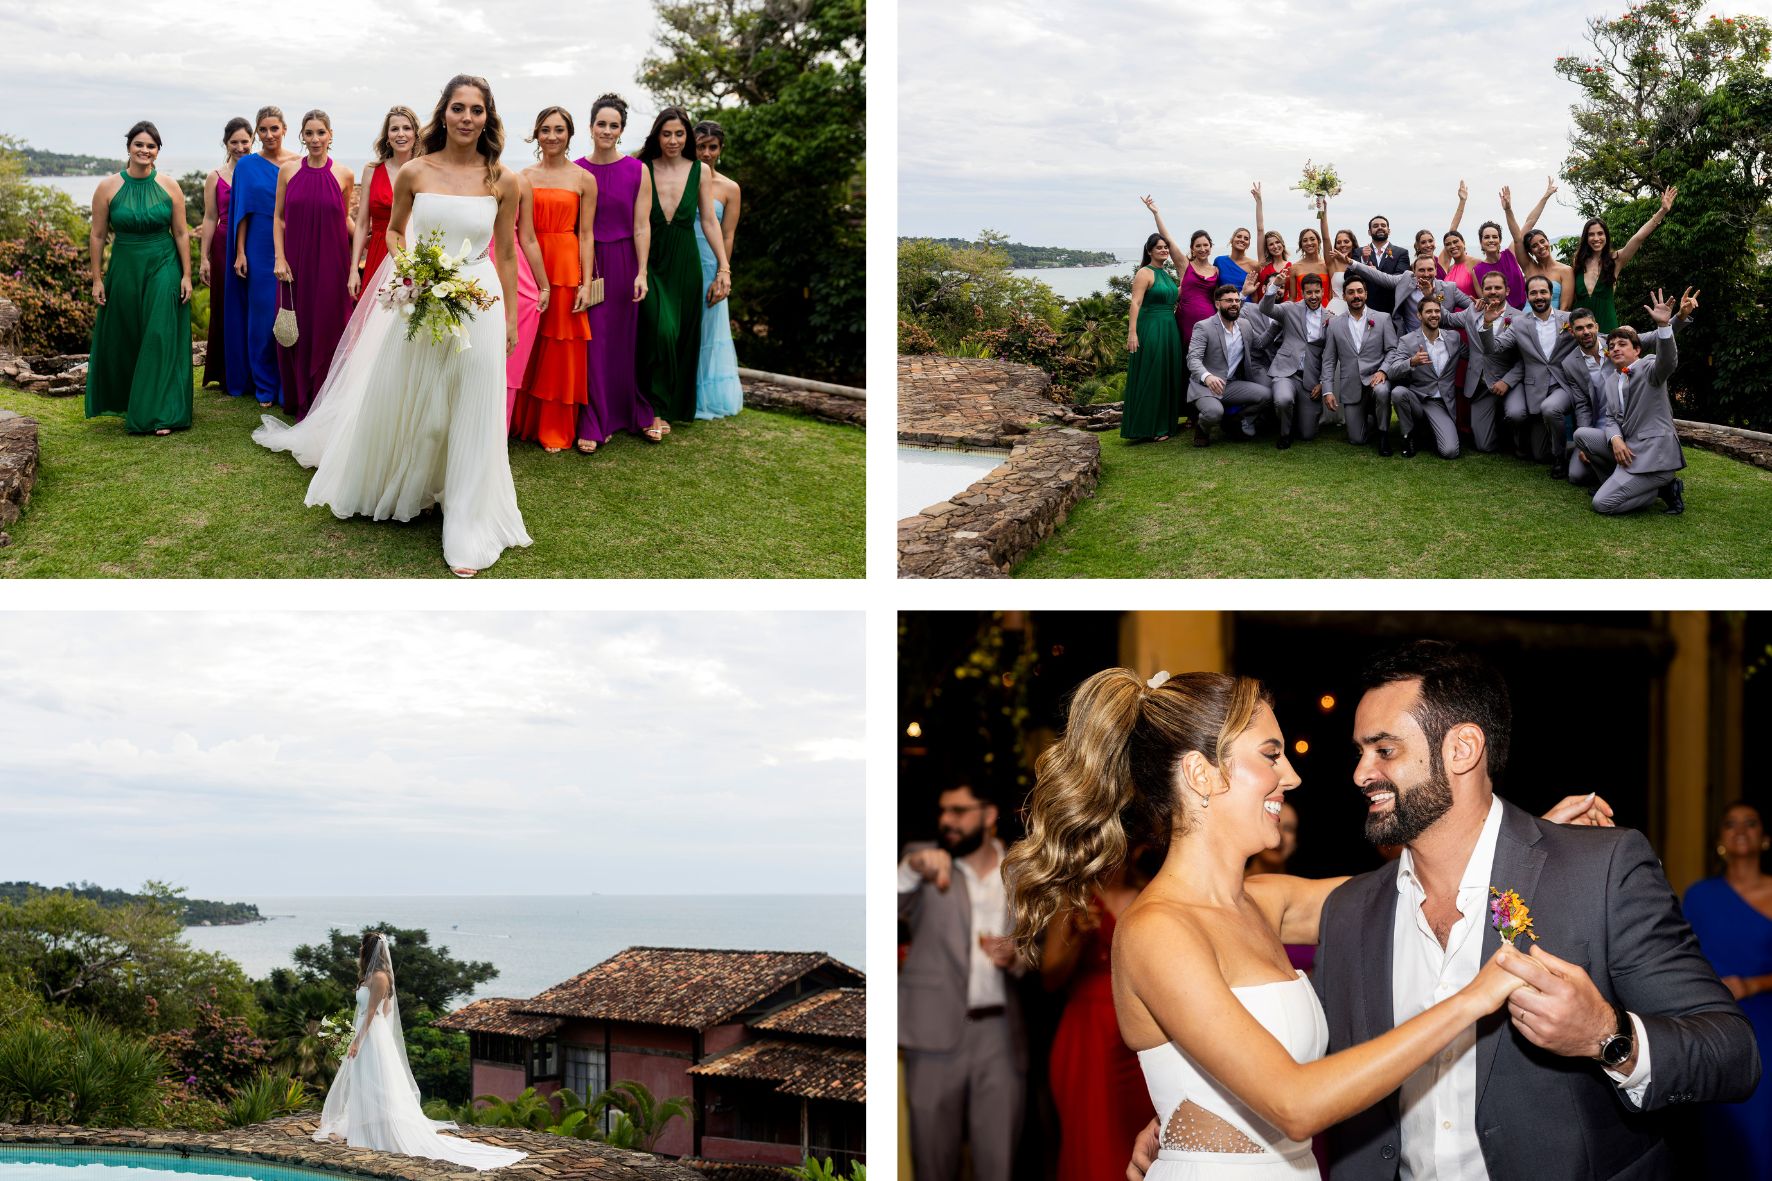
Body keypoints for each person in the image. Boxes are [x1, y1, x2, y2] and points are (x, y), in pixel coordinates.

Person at [1123, 639, 1757, 1180]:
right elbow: (1282, 1080)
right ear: (1201, 776)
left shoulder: (1601, 870)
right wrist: (1196, 1115)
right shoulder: (1321, 915)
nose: (1353, 774)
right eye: (1358, 751)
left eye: (1384, 750)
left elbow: (1732, 1053)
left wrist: (1606, 1036)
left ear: (1461, 750)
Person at [1006, 668, 1530, 1181]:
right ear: (1201, 773)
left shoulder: (1264, 902)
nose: (1293, 776)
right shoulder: (1155, 931)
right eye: (1270, 755)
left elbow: (1416, 884)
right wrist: (1470, 1000)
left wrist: (1520, 846)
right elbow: (1295, 1104)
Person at [252, 74, 533, 577]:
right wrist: (413, 273)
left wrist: (511, 316)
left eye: (477, 110)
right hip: (422, 300)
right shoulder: (415, 172)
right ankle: (413, 484)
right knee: (417, 398)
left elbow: (507, 254)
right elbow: (398, 232)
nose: (467, 118)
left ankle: (466, 518)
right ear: (443, 112)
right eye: (458, 108)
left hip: (481, 300)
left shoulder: (503, 179)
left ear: (488, 117)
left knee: (473, 405)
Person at [899, 783, 1025, 1181]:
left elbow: (1046, 948)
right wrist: (911, 869)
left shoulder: (1023, 871)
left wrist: (1018, 957)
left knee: (999, 1159)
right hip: (932, 1034)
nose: (946, 821)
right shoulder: (923, 862)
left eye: (958, 810)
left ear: (988, 816)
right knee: (932, 1162)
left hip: (1001, 1035)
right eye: (943, 811)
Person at [316, 932, 525, 1168]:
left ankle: (380, 1132)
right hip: (367, 1033)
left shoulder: (380, 978)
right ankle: (363, 1125)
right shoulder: (368, 976)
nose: (359, 952)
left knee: (376, 1081)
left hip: (372, 1036)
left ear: (369, 950)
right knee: (364, 1081)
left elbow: (375, 1012)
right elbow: (379, 1012)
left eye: (362, 948)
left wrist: (358, 1040)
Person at [1043, 859, 1155, 1181]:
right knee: (1090, 1141)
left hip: (1139, 1029)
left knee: (1138, 1135)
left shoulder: (1150, 893)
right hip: (1088, 1032)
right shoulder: (1073, 897)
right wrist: (1077, 937)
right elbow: (1050, 977)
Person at [84, 120, 193, 436]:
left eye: (151, 146)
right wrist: (96, 279)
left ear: (157, 151)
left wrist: (186, 275)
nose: (145, 150)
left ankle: (159, 413)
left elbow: (183, 233)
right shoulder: (107, 187)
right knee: (129, 334)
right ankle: (131, 400)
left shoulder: (170, 186)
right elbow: (97, 235)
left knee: (160, 334)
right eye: (140, 145)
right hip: (125, 267)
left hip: (164, 263)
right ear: (129, 148)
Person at [1682, 802, 1772, 1179]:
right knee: (1720, 1128)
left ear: (1764, 839)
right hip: (1715, 1022)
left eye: (1750, 823)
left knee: (1762, 1125)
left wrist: (1752, 984)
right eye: (1731, 824)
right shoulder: (1700, 896)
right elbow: (1681, 956)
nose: (1740, 830)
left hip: (1767, 1022)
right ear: (1720, 840)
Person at [635, 106, 731, 430]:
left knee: (680, 337)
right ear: (657, 135)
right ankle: (652, 408)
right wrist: (640, 268)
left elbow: (709, 220)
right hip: (652, 257)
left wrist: (724, 267)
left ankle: (665, 408)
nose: (673, 140)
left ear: (687, 136)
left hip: (686, 261)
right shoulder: (642, 167)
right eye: (666, 133)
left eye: (679, 134)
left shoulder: (699, 171)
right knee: (659, 331)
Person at [574, 93, 660, 452]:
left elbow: (642, 227)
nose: (607, 130)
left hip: (625, 263)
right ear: (591, 126)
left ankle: (627, 413)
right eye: (601, 124)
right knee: (594, 344)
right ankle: (595, 420)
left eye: (614, 125)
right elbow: (579, 228)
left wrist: (642, 272)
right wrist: (582, 274)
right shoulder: (577, 169)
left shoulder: (637, 170)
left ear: (621, 130)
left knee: (623, 344)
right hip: (590, 261)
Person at [512, 105, 595, 452]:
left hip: (564, 265)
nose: (552, 136)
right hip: (529, 262)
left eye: (559, 130)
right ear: (536, 134)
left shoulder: (583, 179)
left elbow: (587, 234)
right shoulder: (524, 176)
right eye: (546, 129)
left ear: (570, 135)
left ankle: (552, 428)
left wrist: (586, 282)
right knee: (525, 341)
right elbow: (518, 229)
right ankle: (517, 420)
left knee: (558, 346)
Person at [1572, 288, 1693, 516]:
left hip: (1656, 457)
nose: (1615, 348)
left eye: (1622, 344)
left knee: (1602, 504)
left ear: (1637, 350)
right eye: (1612, 346)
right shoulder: (1611, 380)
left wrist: (1665, 325)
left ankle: (1661, 487)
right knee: (1582, 436)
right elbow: (1610, 418)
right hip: (1629, 449)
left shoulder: (1649, 367)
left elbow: (1668, 362)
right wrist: (1616, 439)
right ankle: (1624, 483)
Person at [272, 110, 355, 421]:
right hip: (295, 261)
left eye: (321, 132)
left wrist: (365, 238)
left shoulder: (344, 174)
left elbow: (344, 217)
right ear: (302, 137)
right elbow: (278, 218)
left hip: (332, 263)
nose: (315, 139)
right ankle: (298, 397)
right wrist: (279, 257)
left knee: (329, 325)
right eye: (310, 133)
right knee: (295, 327)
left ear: (330, 135)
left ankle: (327, 397)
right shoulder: (287, 171)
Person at [226, 106, 298, 406]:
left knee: (291, 312)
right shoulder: (246, 166)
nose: (269, 135)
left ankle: (288, 383)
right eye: (263, 130)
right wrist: (240, 252)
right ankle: (265, 384)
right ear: (257, 133)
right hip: (257, 243)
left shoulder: (298, 163)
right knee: (262, 317)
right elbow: (241, 211)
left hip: (291, 241)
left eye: (274, 129)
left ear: (284, 130)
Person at [1478, 274, 1579, 473]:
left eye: (1543, 292)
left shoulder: (1568, 319)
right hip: (1534, 386)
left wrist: (1632, 336)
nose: (1539, 296)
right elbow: (1494, 348)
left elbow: (1593, 336)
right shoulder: (1519, 323)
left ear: (1550, 294)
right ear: (1527, 296)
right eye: (1534, 293)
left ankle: (1559, 458)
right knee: (1540, 455)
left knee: (1551, 409)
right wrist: (1488, 325)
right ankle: (1555, 447)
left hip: (1562, 384)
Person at [691, 120, 744, 420]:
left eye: (712, 147)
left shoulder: (730, 188)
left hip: (711, 264)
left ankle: (703, 396)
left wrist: (723, 274)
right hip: (683, 260)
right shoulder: (682, 179)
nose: (707, 153)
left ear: (720, 150)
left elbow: (727, 234)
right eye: (701, 147)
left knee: (708, 334)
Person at [1441, 270, 1524, 455]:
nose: (1493, 291)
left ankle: (1518, 439)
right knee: (1484, 446)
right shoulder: (1473, 310)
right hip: (1480, 385)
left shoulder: (1519, 318)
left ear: (1507, 291)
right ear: (1482, 291)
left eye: (1497, 288)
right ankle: (1497, 433)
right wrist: (1430, 294)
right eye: (1488, 288)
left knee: (1516, 413)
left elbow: (1523, 359)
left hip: (1507, 382)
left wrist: (1507, 381)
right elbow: (1446, 318)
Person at [1572, 186, 1676, 331]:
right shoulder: (1578, 264)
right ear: (1586, 238)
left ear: (1606, 237)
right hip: (1581, 330)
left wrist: (1662, 211)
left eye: (1600, 233)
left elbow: (1638, 238)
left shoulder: (1615, 260)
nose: (1596, 238)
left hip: (1606, 328)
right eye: (1591, 234)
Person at [198, 117, 252, 390]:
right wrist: (204, 257)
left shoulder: (261, 170)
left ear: (252, 141)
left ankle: (255, 371)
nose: (240, 147)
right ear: (226, 144)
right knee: (225, 306)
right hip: (223, 244)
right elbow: (209, 218)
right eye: (234, 142)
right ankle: (227, 371)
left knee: (253, 306)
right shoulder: (215, 177)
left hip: (255, 242)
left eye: (245, 141)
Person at [1185, 284, 1275, 447]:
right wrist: (1208, 377)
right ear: (1217, 304)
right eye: (1229, 301)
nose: (1234, 304)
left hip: (1231, 384)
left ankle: (1235, 420)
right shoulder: (1203, 327)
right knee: (1213, 413)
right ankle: (1202, 428)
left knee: (1266, 395)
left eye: (1236, 300)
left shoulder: (1244, 325)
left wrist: (1277, 324)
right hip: (1206, 386)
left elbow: (1260, 344)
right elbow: (1193, 359)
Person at [349, 106, 422, 304]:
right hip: (379, 252)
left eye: (406, 128)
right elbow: (362, 223)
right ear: (387, 136)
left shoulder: (426, 170)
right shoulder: (372, 170)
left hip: (416, 253)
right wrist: (354, 269)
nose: (401, 134)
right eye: (394, 129)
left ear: (415, 133)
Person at [1382, 294, 1467, 459]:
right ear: (1419, 315)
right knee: (1398, 392)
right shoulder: (1407, 341)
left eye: (1437, 311)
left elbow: (1471, 355)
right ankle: (1408, 436)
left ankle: (1427, 431)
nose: (1434, 315)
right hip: (1418, 399)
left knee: (1450, 452)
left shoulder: (1453, 338)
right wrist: (1411, 362)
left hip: (1441, 403)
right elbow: (1392, 371)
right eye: (1429, 311)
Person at [1319, 276, 1399, 450]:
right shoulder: (1334, 324)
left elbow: (1393, 350)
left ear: (1366, 294)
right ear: (1344, 296)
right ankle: (1370, 419)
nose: (1356, 296)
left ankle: (1384, 435)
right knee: (1357, 439)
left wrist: (1384, 371)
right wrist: (1327, 391)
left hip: (1376, 379)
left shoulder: (1382, 318)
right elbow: (1329, 360)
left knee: (1382, 392)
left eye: (1359, 291)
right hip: (1351, 385)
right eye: (1351, 292)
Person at [1121, 232, 1184, 442]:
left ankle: (1164, 423)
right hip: (1151, 327)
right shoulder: (1144, 273)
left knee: (1167, 373)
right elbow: (1136, 303)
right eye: (1159, 247)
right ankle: (1148, 426)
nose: (1164, 250)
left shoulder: (1165, 273)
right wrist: (1132, 332)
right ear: (1149, 251)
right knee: (1153, 373)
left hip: (1169, 327)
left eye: (1166, 247)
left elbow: (1175, 294)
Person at [1258, 271, 1332, 447]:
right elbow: (1265, 308)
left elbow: (1330, 356)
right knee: (1283, 399)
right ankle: (1285, 433)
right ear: (1302, 293)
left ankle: (1298, 419)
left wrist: (1322, 382)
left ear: (1323, 292)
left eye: (1316, 292)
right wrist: (1275, 285)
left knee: (1308, 435)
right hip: (1286, 371)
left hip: (1311, 379)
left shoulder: (1331, 318)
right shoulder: (1289, 308)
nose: (1313, 296)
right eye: (1308, 292)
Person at [1342, 251, 1473, 336]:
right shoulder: (1406, 279)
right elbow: (1381, 277)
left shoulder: (1449, 288)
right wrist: (1352, 263)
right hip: (1409, 339)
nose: (1426, 274)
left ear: (1435, 270)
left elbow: (1472, 307)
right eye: (1421, 270)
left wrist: (1430, 297)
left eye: (1430, 269)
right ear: (1413, 271)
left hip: (1440, 339)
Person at [1355, 215, 1411, 316]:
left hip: (1391, 310)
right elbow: (1349, 277)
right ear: (1369, 232)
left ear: (1389, 231)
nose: (1380, 227)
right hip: (1365, 310)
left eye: (1383, 225)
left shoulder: (1401, 253)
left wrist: (1376, 273)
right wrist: (1363, 260)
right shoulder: (1359, 252)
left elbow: (1401, 280)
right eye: (1375, 226)